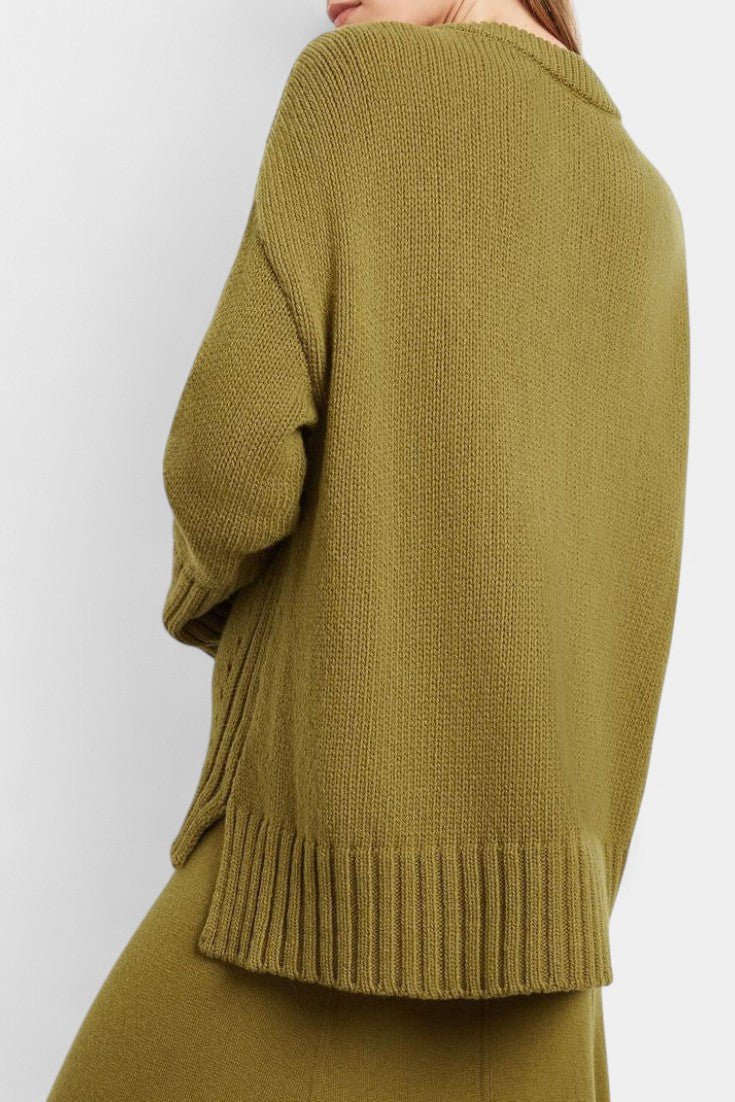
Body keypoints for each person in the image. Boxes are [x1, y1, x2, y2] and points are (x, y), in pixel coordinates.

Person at [47, 1, 689, 1099]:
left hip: (307, 900)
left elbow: (226, 471)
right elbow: (635, 603)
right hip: (545, 960)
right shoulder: (646, 203)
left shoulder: (357, 86)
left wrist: (211, 599)